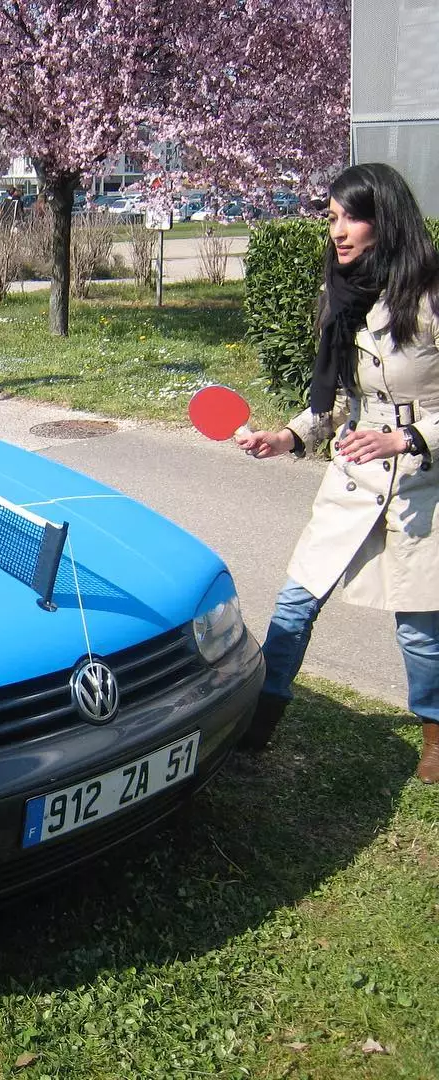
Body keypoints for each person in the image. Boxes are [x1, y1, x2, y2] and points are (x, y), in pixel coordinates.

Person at [234, 163, 439, 784]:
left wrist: (408, 436)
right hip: (356, 473)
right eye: (331, 218)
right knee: (295, 603)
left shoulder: (431, 295)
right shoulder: (344, 293)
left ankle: (433, 733)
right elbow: (345, 402)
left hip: (422, 485)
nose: (338, 232)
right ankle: (256, 724)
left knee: (420, 632)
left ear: (386, 219)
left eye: (351, 216)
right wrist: (292, 433)